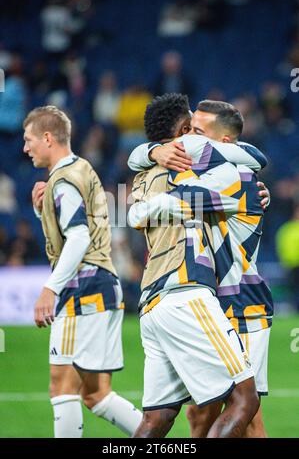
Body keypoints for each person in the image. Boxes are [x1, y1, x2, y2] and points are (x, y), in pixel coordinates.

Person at [126, 95, 272, 438]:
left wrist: (136, 207)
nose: (186, 138)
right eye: (186, 129)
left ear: (221, 142)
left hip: (240, 304)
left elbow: (167, 203)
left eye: (196, 131)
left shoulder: (232, 174)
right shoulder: (193, 171)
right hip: (202, 301)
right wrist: (151, 151)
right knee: (197, 415)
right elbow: (144, 164)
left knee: (247, 414)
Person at [24, 105, 142, 438]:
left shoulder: (63, 182)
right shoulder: (81, 169)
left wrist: (50, 288)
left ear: (47, 138)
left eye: (29, 139)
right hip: (102, 287)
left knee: (61, 388)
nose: (25, 147)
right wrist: (41, 211)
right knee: (95, 395)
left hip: (83, 291)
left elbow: (78, 237)